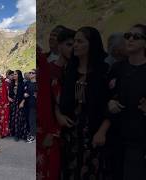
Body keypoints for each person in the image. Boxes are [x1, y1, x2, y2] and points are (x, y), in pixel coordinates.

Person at [57, 27, 109, 179]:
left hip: (94, 134)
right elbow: (56, 98)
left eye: (80, 41)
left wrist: (102, 131)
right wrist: (59, 114)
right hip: (70, 133)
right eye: (74, 42)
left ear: (91, 44)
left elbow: (112, 104)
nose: (75, 45)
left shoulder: (104, 71)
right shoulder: (69, 71)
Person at [106, 24, 146, 180]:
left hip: (139, 140)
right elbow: (105, 95)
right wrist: (109, 102)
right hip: (116, 136)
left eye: (136, 37)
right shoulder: (117, 68)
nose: (130, 39)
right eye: (128, 35)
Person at [39, 27, 76, 180]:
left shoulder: (77, 72)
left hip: (72, 132)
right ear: (59, 46)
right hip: (52, 131)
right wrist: (53, 132)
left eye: (75, 44)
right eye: (69, 45)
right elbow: (48, 103)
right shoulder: (50, 70)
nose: (73, 48)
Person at [8, 70, 28, 141]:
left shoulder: (23, 84)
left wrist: (22, 102)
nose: (14, 76)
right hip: (13, 103)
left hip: (20, 103)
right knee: (13, 118)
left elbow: (26, 94)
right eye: (13, 74)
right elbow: (9, 93)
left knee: (19, 119)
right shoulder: (11, 84)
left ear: (19, 75)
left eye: (15, 74)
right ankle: (13, 133)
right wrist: (9, 98)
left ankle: (18, 134)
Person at [24, 69, 37, 143]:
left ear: (35, 74)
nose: (30, 74)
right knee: (31, 120)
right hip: (30, 104)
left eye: (32, 73)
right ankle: (32, 135)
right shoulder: (27, 83)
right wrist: (25, 94)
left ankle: (33, 136)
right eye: (30, 72)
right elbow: (25, 91)